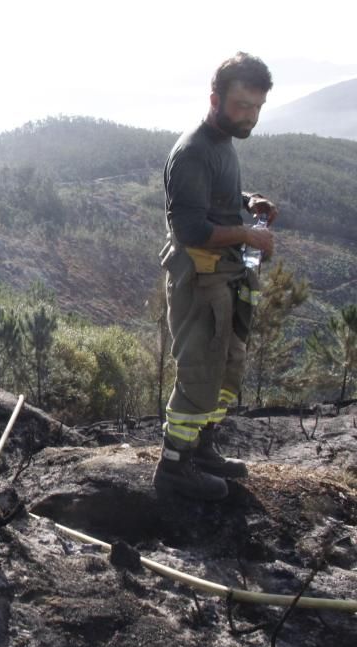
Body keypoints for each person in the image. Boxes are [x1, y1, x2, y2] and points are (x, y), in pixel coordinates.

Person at [154, 52, 277, 501]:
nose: (250, 117)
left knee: (227, 365)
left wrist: (248, 200)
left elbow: (214, 194)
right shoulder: (192, 150)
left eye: (257, 108)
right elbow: (189, 228)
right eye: (242, 106)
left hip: (223, 275)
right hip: (199, 278)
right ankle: (173, 469)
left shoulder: (223, 142)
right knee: (200, 369)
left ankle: (202, 450)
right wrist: (248, 232)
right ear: (215, 99)